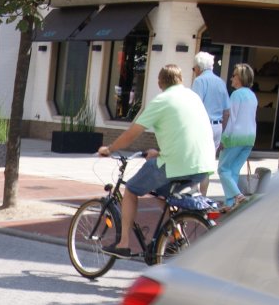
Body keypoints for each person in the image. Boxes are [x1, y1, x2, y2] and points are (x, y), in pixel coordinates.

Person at [96, 63, 216, 257]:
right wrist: (160, 152)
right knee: (162, 194)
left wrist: (109, 149)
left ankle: (123, 243)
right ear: (181, 80)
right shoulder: (193, 97)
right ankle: (176, 236)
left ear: (160, 83)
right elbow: (185, 134)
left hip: (177, 165)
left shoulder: (161, 100)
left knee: (132, 189)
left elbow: (132, 133)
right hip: (203, 166)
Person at [217, 63, 258, 208]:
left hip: (235, 138)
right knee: (233, 170)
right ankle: (230, 204)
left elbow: (232, 119)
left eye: (234, 75)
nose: (231, 78)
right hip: (250, 138)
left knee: (222, 169)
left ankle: (237, 196)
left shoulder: (236, 95)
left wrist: (224, 139)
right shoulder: (252, 96)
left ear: (240, 78)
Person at [191, 52, 228, 196]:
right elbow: (227, 111)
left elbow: (194, 106)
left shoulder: (199, 81)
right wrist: (223, 131)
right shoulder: (221, 82)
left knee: (196, 161)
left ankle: (194, 194)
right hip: (217, 126)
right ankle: (204, 196)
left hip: (203, 126)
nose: (194, 72)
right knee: (207, 164)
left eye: (194, 68)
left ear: (199, 67)